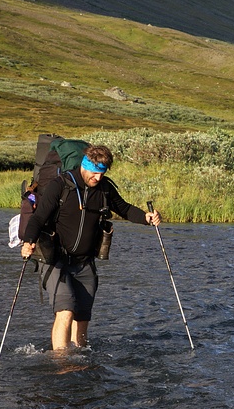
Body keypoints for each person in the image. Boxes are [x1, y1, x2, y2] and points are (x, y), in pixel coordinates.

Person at [20, 145, 161, 350]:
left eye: (102, 173)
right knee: (66, 310)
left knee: (83, 317)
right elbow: (39, 217)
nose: (98, 177)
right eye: (94, 172)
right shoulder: (60, 185)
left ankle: (80, 361)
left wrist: (146, 218)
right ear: (85, 165)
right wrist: (28, 242)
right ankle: (62, 363)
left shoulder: (104, 189)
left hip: (85, 262)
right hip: (55, 259)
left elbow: (125, 209)